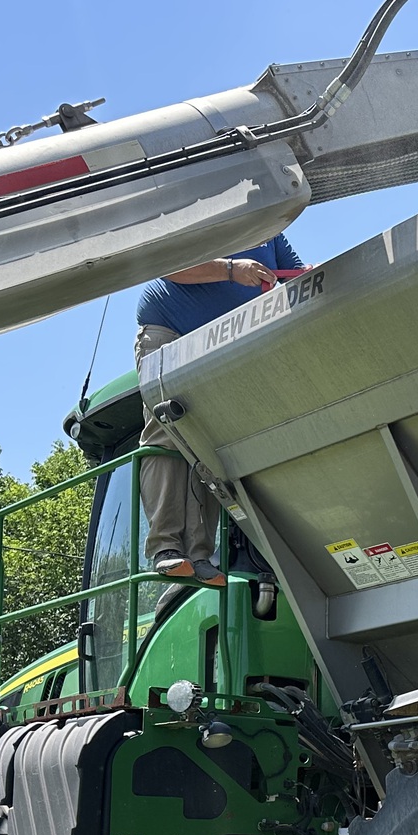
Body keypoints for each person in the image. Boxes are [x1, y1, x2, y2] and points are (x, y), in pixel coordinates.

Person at [132, 232, 305, 583]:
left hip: (219, 341)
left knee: (208, 441)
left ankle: (198, 553)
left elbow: (296, 272)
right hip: (171, 331)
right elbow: (169, 264)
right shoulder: (215, 212)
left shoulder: (271, 229)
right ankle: (166, 546)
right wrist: (230, 270)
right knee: (167, 434)